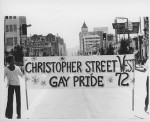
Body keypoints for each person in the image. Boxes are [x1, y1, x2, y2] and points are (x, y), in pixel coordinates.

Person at [4, 55, 24, 119]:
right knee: (10, 101)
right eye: (12, 60)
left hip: (17, 85)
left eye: (14, 60)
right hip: (10, 86)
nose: (14, 61)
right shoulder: (6, 69)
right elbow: (3, 78)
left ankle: (19, 114)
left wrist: (25, 73)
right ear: (9, 62)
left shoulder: (17, 68)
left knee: (18, 100)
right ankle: (9, 115)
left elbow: (21, 75)